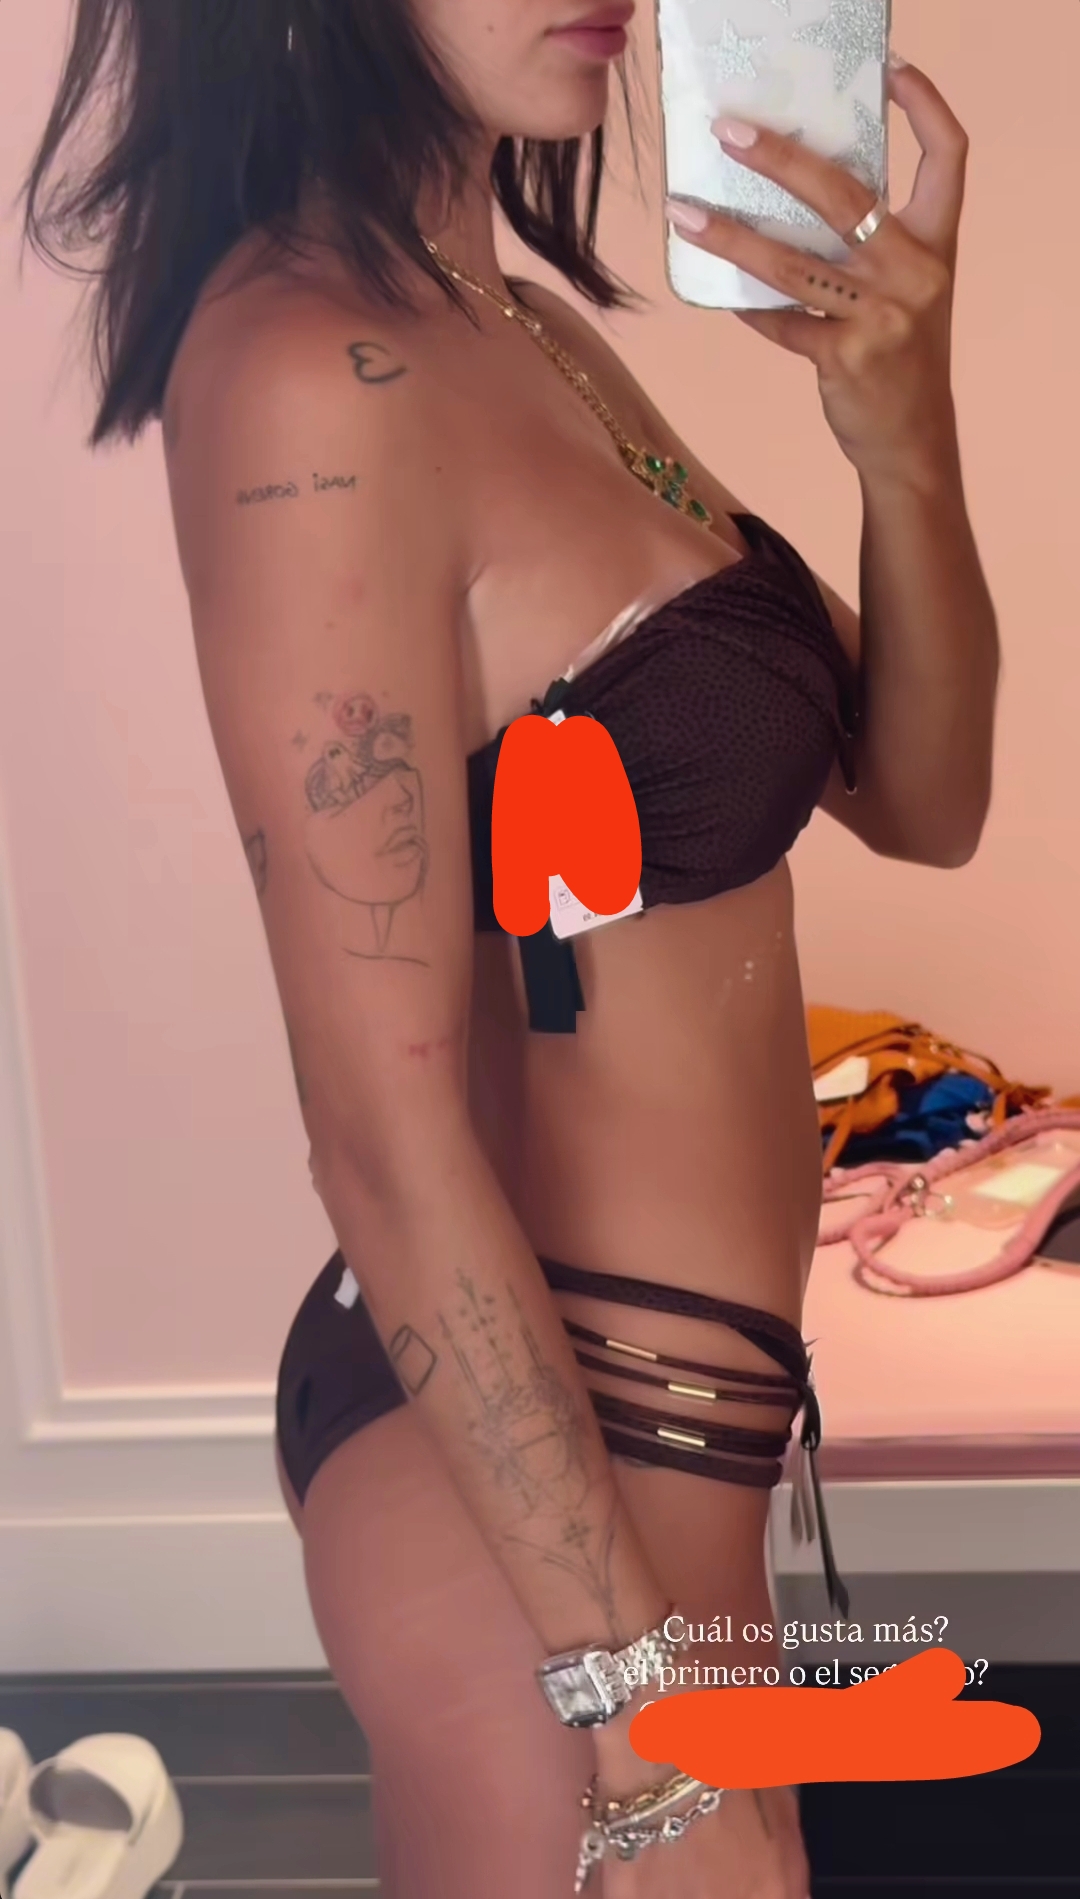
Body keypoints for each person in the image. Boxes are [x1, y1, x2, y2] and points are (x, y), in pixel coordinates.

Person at [24, 3, 998, 1893]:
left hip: (683, 1449)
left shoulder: (523, 328)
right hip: (538, 1493)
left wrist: (906, 431)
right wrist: (643, 1732)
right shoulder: (310, 374)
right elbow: (375, 1131)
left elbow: (922, 796)